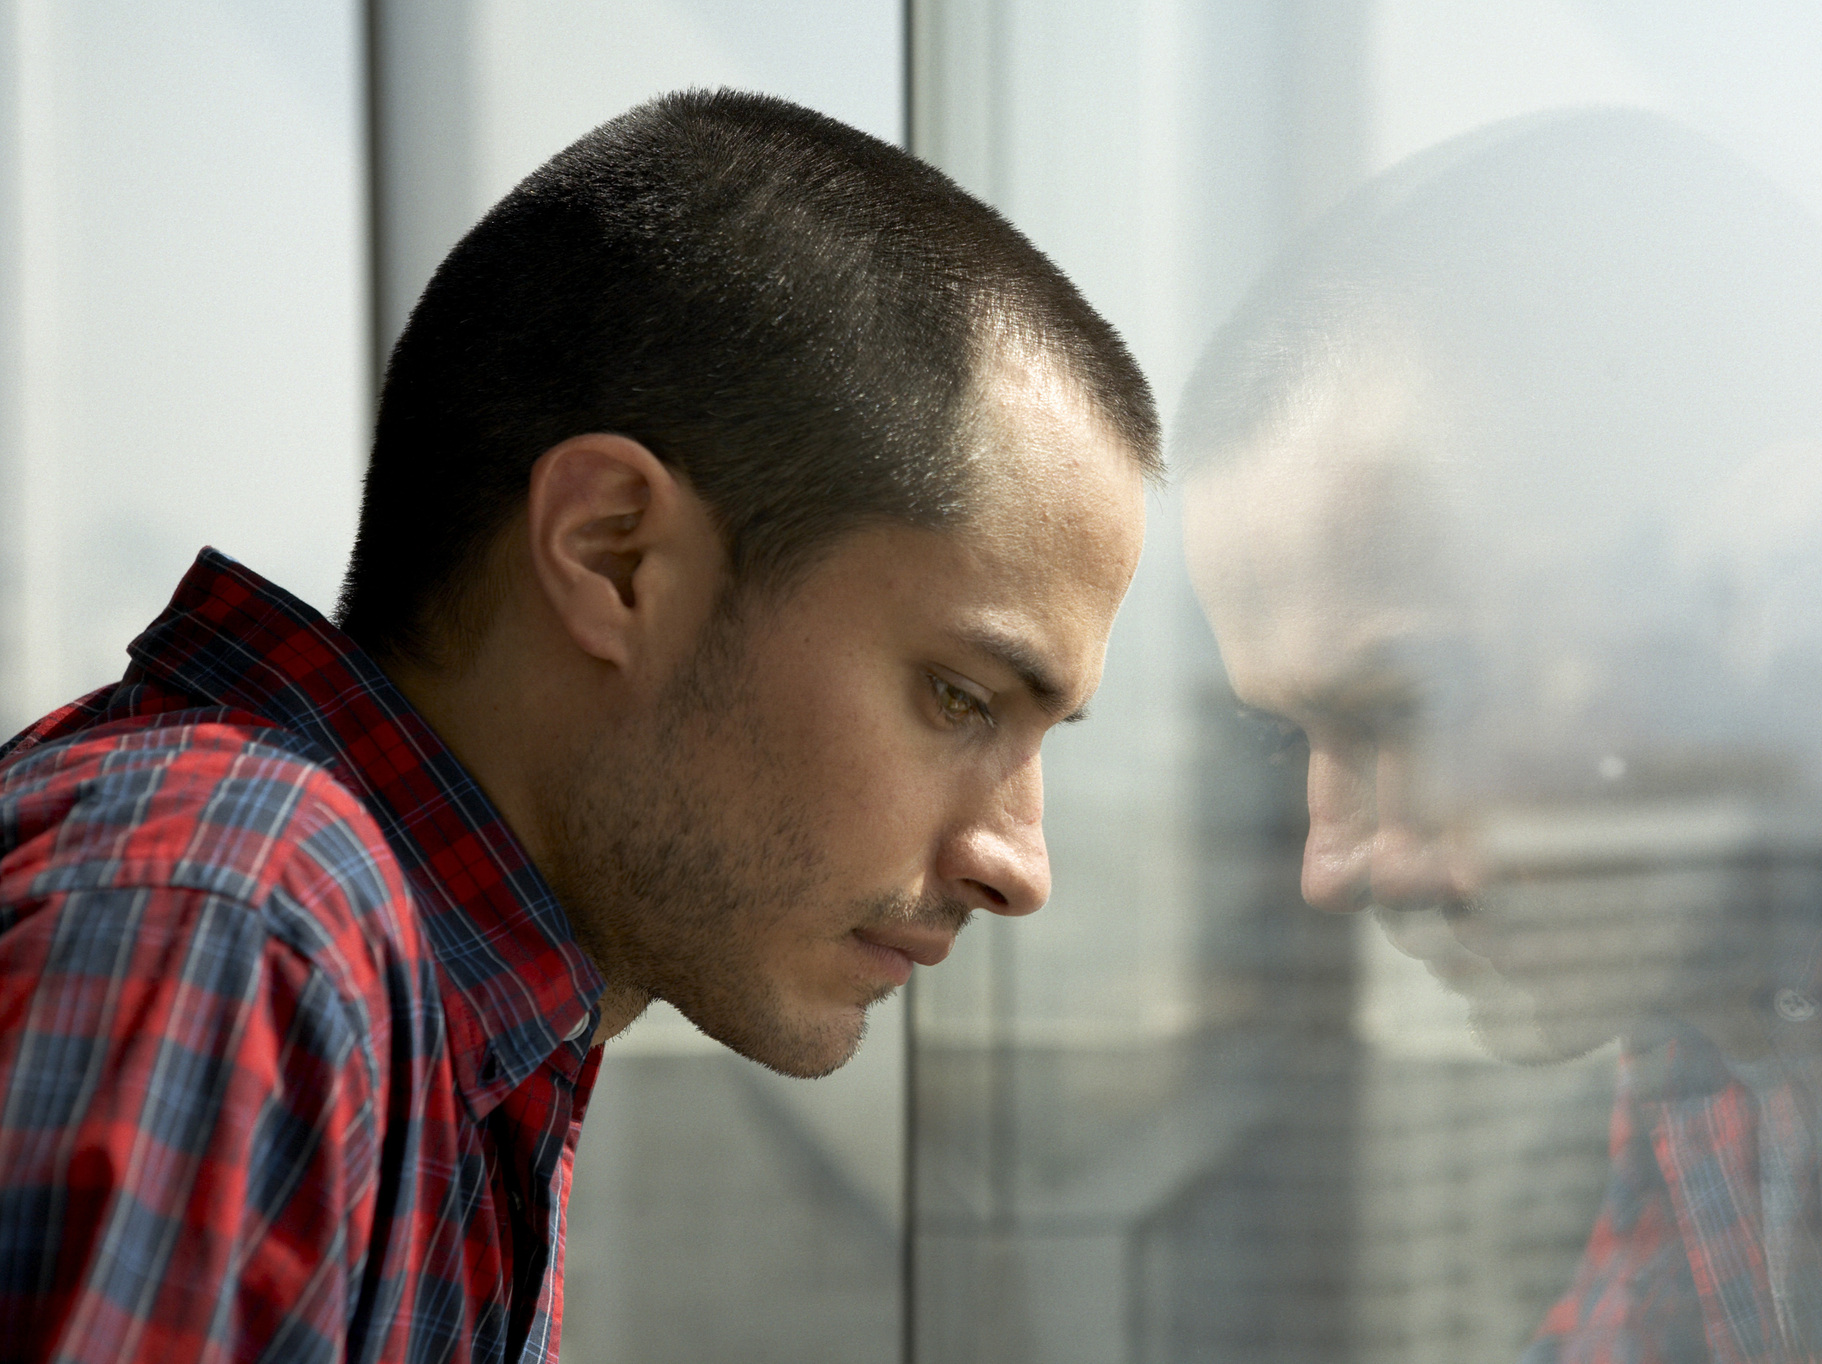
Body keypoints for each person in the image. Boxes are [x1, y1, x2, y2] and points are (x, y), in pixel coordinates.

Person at [0, 91, 1156, 1363]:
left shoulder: (438, 1001)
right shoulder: (235, 926)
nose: (1020, 864)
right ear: (614, 555)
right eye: (960, 695)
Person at [1179, 109, 1822, 1361]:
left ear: (1789, 578)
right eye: (1289, 739)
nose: (1334, 862)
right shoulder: (1721, 982)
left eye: (1407, 707)